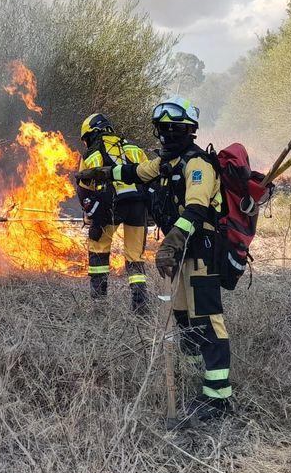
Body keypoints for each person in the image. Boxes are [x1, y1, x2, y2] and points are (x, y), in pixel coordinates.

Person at [77, 96, 237, 424]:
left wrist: (172, 243)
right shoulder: (167, 162)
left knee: (207, 319)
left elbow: (196, 209)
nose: (163, 136)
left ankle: (218, 396)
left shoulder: (198, 165)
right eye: (161, 130)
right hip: (180, 253)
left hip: (200, 250)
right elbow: (134, 171)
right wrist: (104, 172)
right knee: (183, 316)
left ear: (183, 130)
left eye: (168, 130)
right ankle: (196, 375)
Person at [75, 113, 150, 313]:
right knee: (135, 254)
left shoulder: (91, 154)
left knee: (98, 248)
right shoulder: (134, 148)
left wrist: (90, 213)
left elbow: (84, 187)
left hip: (111, 205)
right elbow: (149, 174)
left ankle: (99, 304)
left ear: (91, 134)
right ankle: (140, 305)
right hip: (137, 205)